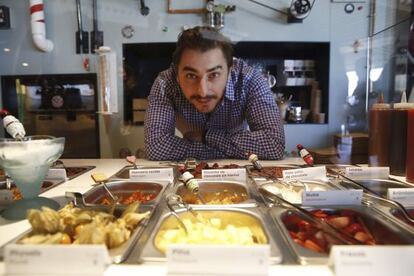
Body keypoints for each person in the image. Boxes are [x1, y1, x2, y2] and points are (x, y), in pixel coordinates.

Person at [144, 26, 285, 161]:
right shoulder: (165, 82)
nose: (203, 91)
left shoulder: (250, 79)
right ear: (177, 74)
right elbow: (156, 146)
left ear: (230, 71)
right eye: (191, 76)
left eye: (214, 74)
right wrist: (218, 151)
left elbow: (274, 144)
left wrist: (207, 136)